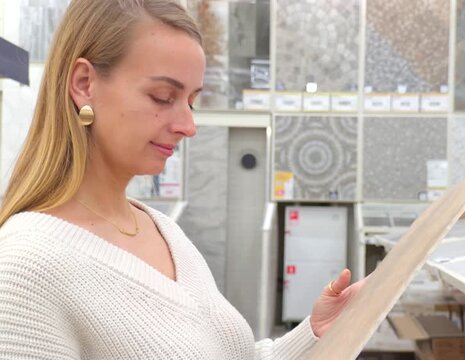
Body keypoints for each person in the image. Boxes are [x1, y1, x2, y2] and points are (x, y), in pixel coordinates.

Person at [0, 0, 363, 358]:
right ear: (84, 84)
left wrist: (315, 334)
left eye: (191, 101)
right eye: (163, 96)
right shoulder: (25, 266)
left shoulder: (162, 230)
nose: (188, 126)